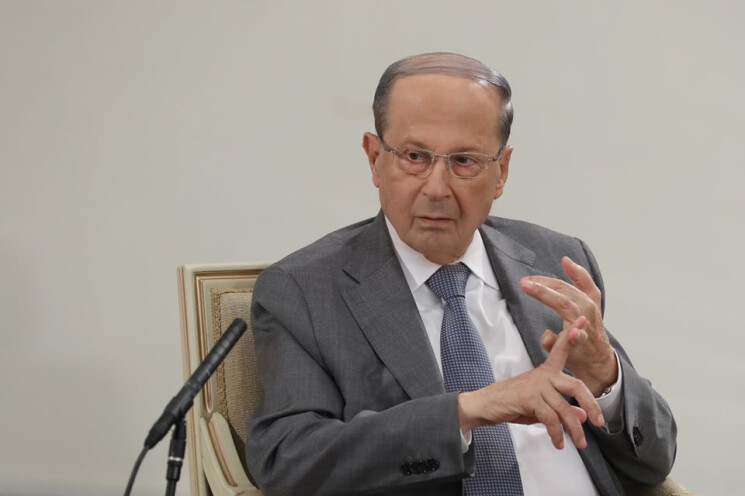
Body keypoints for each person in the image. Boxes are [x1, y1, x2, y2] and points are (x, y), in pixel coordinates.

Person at [245, 52, 676, 496]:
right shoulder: (305, 290)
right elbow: (287, 461)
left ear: (501, 172)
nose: (436, 188)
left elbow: (655, 460)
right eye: (415, 156)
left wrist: (605, 376)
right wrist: (468, 410)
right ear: (374, 159)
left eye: (465, 161)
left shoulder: (557, 260)